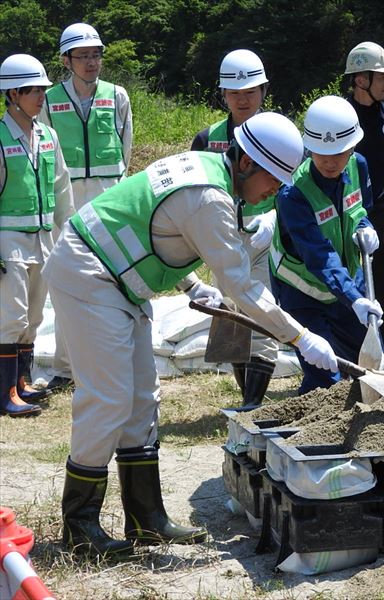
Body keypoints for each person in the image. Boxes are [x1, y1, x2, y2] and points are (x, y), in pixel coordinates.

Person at [41, 112, 338, 557]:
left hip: (117, 277)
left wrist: (189, 282)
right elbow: (241, 286)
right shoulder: (210, 197)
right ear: (246, 164)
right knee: (108, 398)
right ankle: (79, 529)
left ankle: (147, 519)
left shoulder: (207, 170)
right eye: (272, 180)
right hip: (89, 275)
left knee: (143, 397)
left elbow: (148, 221)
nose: (274, 191)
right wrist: (300, 338)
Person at [40, 23, 133, 394]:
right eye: (83, 56)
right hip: (68, 200)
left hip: (109, 197)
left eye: (96, 54)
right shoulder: (48, 99)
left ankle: (113, 358)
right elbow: (44, 150)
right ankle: (65, 367)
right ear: (66, 60)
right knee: (69, 281)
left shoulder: (118, 96)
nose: (92, 62)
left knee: (117, 278)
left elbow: (126, 148)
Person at [269, 95, 382, 394]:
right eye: (321, 153)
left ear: (353, 146)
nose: (330, 161)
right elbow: (318, 256)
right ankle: (313, 434)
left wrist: (365, 227)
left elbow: (360, 210)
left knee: (369, 366)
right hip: (302, 292)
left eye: (339, 152)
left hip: (345, 286)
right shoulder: (293, 193)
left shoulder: (359, 166)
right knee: (325, 377)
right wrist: (354, 298)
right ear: (309, 148)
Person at [191, 49, 279, 409]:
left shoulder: (279, 134)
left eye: (251, 92)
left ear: (263, 92)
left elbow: (294, 185)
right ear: (223, 95)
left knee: (263, 311)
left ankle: (254, 403)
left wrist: (273, 220)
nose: (243, 99)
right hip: (223, 237)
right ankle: (246, 396)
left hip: (266, 238)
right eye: (235, 93)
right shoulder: (207, 138)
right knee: (233, 317)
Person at [0, 54, 74, 417]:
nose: (42, 97)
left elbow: (62, 190)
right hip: (8, 240)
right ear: (13, 93)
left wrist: (72, 233)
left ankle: (23, 383)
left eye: (44, 90)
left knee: (33, 317)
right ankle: (5, 393)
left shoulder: (48, 135)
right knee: (10, 317)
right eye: (36, 91)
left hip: (43, 239)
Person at [344, 42, 384, 355]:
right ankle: (355, 353)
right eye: (380, 76)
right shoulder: (340, 116)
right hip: (345, 217)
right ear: (360, 79)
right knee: (351, 286)